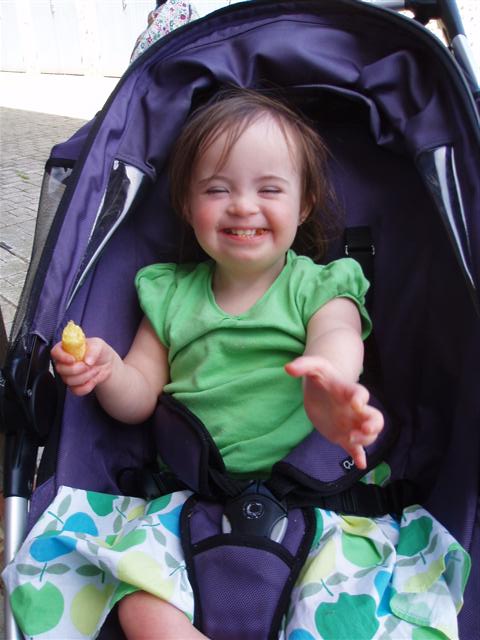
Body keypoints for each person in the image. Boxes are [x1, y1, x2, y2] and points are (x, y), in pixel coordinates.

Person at [2, 89, 469, 640]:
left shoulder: (320, 286)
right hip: (191, 504)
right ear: (186, 204)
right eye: (217, 189)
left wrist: (330, 383)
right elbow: (139, 398)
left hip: (323, 504)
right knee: (136, 601)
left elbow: (339, 338)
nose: (243, 206)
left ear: (304, 205)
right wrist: (108, 371)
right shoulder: (168, 294)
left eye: (269, 189)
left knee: (352, 614)